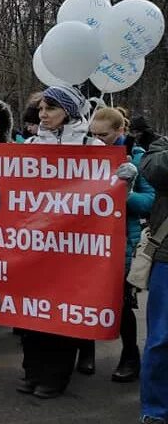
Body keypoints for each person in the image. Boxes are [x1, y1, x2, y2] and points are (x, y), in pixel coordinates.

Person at [18, 86, 128, 399]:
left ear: (68, 110)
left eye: (51, 108)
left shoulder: (90, 145)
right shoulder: (31, 144)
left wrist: (122, 180)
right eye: (41, 108)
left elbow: (105, 191)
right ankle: (31, 370)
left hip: (72, 245)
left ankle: (55, 375)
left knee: (60, 312)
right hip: (34, 242)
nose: (43, 114)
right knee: (30, 310)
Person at [88, 107, 154, 383]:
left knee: (122, 304)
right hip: (88, 241)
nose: (99, 140)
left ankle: (130, 356)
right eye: (94, 135)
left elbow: (148, 202)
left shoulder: (138, 159)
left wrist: (126, 191)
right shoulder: (85, 154)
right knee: (84, 298)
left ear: (120, 131)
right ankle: (85, 353)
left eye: (104, 135)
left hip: (121, 242)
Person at [140, 132, 168, 423]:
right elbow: (154, 170)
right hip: (167, 259)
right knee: (162, 337)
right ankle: (156, 411)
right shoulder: (162, 145)